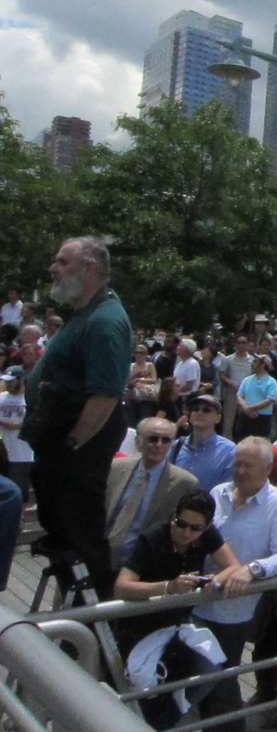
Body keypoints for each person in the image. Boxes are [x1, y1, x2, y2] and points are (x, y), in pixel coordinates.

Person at [21, 236, 133, 588]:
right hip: (59, 441)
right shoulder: (84, 313)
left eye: (62, 262)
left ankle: (95, 624)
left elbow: (104, 398)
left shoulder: (104, 322)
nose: (53, 268)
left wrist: (70, 446)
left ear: (88, 268)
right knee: (64, 535)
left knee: (82, 537)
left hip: (77, 447)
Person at [193, 437, 277, 732]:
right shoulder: (217, 493)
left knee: (221, 685)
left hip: (233, 612)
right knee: (203, 682)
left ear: (266, 468)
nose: (240, 470)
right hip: (197, 603)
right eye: (236, 463)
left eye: (247, 465)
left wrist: (253, 570)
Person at [112, 490, 241, 651]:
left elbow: (234, 566)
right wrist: (169, 587)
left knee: (210, 669)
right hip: (140, 627)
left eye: (195, 528)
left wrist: (215, 581)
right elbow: (121, 588)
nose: (187, 533)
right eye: (181, 524)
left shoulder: (207, 534)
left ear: (207, 526)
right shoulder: (153, 538)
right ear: (174, 516)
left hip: (180, 625)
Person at [105, 418, 199, 574]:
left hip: (141, 569)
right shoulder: (116, 468)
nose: (159, 445)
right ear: (138, 441)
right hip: (100, 560)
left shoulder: (185, 483)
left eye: (166, 440)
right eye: (153, 438)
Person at [170, 395, 236, 494]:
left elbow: (227, 490)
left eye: (207, 410)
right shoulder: (176, 446)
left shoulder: (229, 451)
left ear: (218, 418)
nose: (200, 413)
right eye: (196, 409)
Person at [0, 367, 32, 500]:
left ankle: (21, 517)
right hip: (4, 450)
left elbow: (36, 419)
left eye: (11, 381)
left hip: (23, 452)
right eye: (7, 381)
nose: (8, 384)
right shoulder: (1, 397)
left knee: (20, 489)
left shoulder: (29, 398)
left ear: (21, 380)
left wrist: (19, 425)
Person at [236, 355, 277, 442]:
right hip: (245, 418)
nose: (252, 363)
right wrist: (246, 408)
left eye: (255, 361)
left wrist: (251, 408)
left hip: (262, 419)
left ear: (263, 365)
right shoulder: (247, 380)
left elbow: (269, 400)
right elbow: (239, 396)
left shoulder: (271, 382)